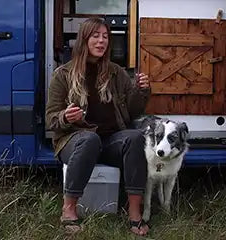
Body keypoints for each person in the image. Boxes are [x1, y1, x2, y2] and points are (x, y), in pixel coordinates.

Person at [45, 17, 151, 236]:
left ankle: (134, 212)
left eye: (105, 37)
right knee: (89, 139)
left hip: (110, 141)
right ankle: (69, 209)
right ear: (84, 39)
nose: (101, 41)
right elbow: (51, 119)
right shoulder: (63, 75)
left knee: (134, 137)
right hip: (74, 142)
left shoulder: (115, 72)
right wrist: (66, 116)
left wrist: (140, 91)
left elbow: (133, 112)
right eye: (96, 36)